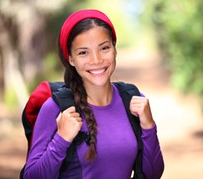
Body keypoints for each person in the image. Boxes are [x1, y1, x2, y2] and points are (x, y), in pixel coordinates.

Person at [23, 9, 164, 179]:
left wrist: (149, 126)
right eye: (83, 52)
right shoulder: (55, 108)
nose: (96, 60)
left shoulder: (132, 101)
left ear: (114, 49)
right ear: (71, 59)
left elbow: (153, 174)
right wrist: (61, 139)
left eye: (104, 48)